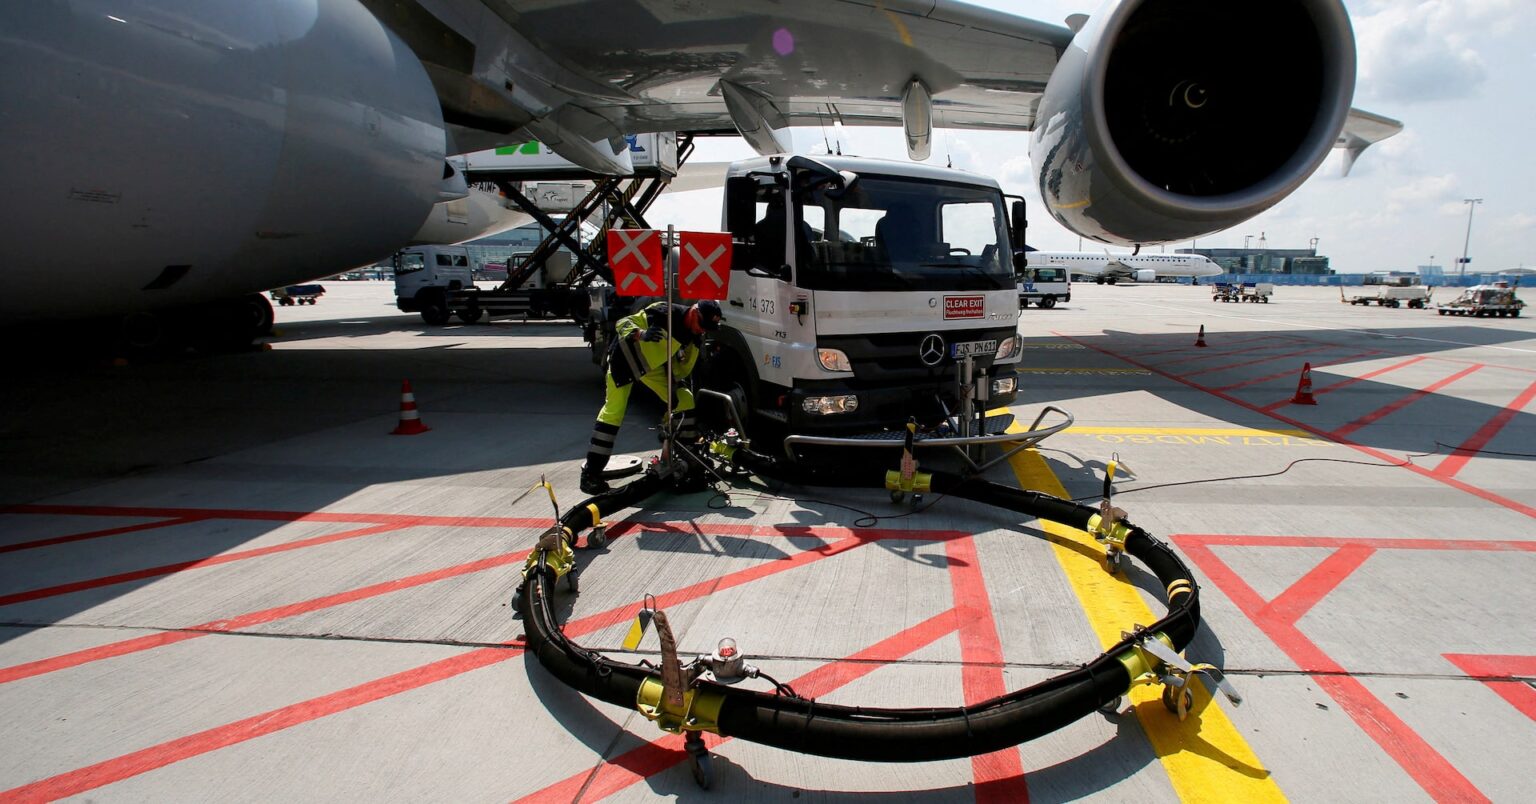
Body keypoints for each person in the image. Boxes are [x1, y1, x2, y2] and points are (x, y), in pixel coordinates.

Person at [581, 299, 724, 494]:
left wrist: (674, 387)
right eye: (702, 325)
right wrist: (640, 334)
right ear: (693, 313)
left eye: (707, 328)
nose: (702, 330)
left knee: (684, 399)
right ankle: (590, 474)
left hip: (652, 367)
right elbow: (622, 323)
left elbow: (683, 367)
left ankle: (689, 458)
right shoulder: (664, 312)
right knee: (614, 412)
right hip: (625, 362)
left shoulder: (695, 335)